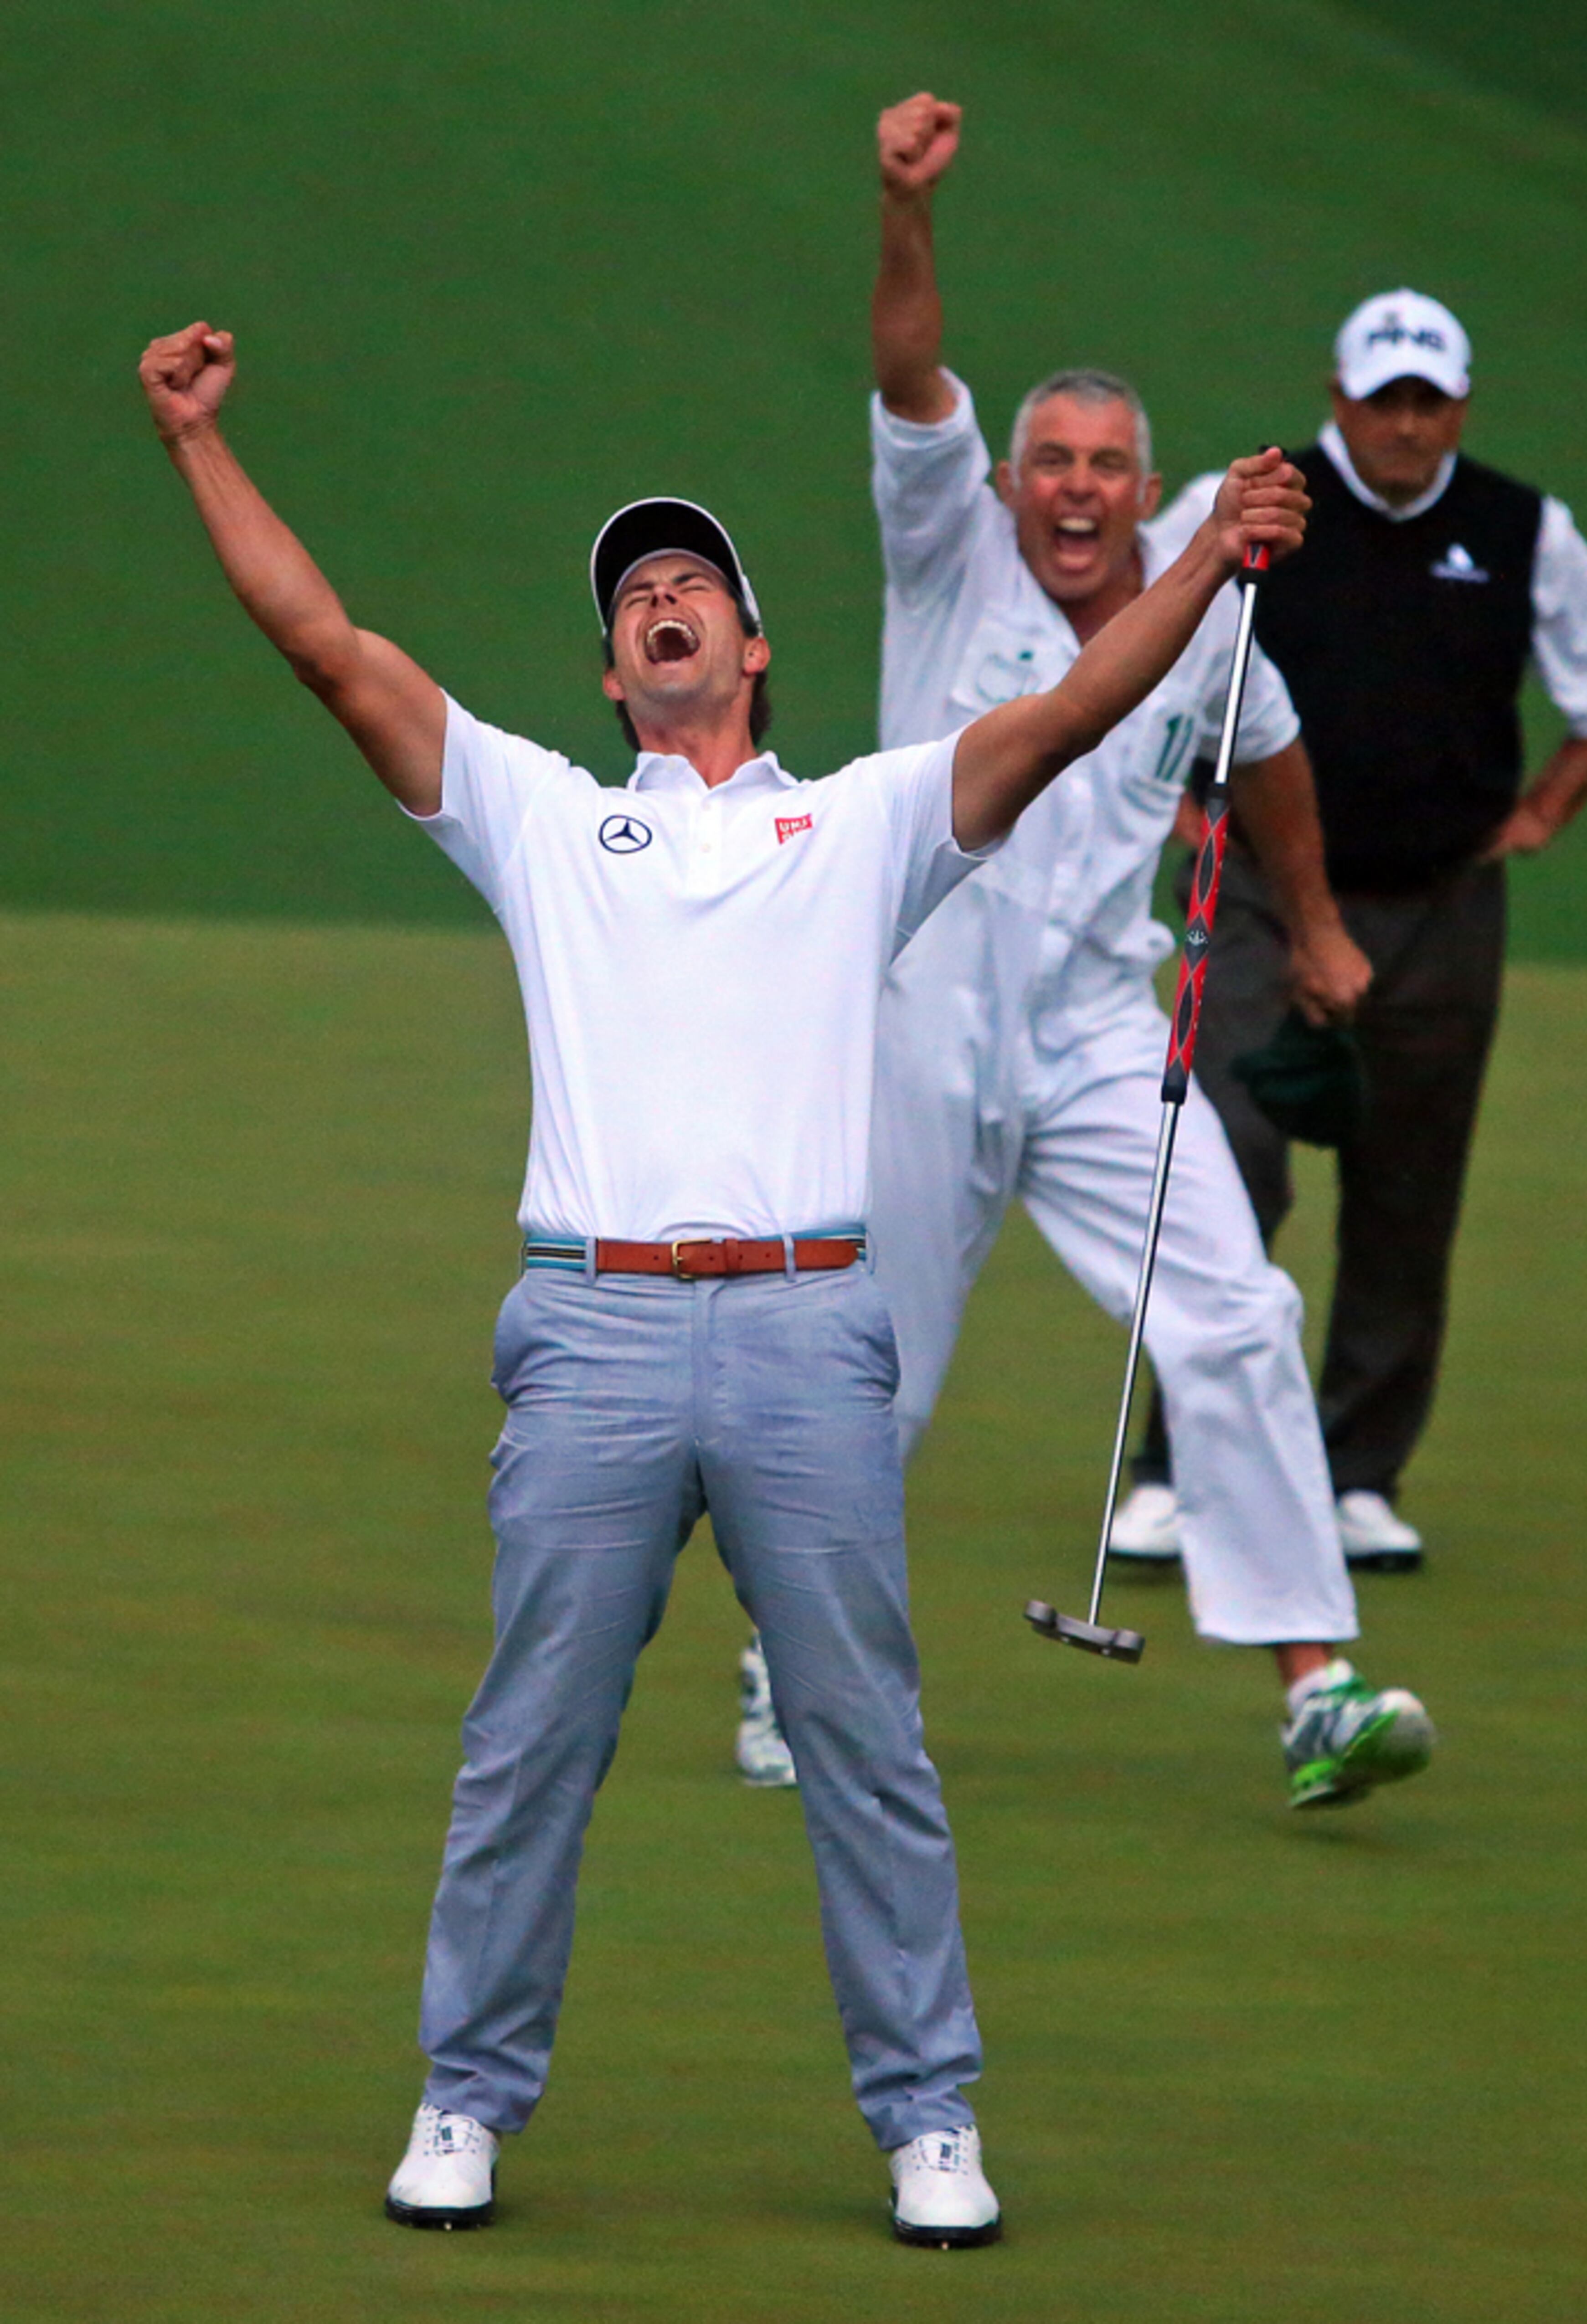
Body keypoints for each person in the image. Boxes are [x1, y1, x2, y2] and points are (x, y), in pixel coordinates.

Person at [138, 314, 1308, 2243]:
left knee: (865, 1742)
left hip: (805, 1326)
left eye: (692, 585)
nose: (662, 603)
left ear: (751, 646)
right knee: (530, 1743)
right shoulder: (542, 818)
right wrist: (196, 440)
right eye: (634, 600)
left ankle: (930, 2121)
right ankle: (464, 2098)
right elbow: (328, 648)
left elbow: (1075, 714)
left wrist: (1203, 562)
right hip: (590, 1326)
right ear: (615, 672)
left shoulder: (860, 822)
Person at [734, 93, 1434, 1814]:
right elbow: (911, 366)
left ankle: (1316, 1688)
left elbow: (1268, 746)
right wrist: (905, 205)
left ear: (1144, 490)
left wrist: (1318, 922)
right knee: (876, 1370)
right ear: (1008, 482)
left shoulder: (1203, 608)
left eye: (1107, 466)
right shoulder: (944, 548)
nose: (1075, 488)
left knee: (1238, 1312)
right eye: (1050, 460)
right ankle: (788, 1665)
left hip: (1097, 1027)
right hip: (912, 1020)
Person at [1113, 289, 1587, 1570]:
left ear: (1460, 408)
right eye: (1384, 400)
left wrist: (1543, 812)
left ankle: (1358, 1472)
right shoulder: (1258, 503)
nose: (1406, 425)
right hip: (1253, 895)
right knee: (1227, 1167)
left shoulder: (1524, 529)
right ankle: (1179, 1465)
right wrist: (1172, 799)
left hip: (1438, 908)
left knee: (1408, 1190)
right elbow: (1138, 643)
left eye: (1429, 402)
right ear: (1339, 398)